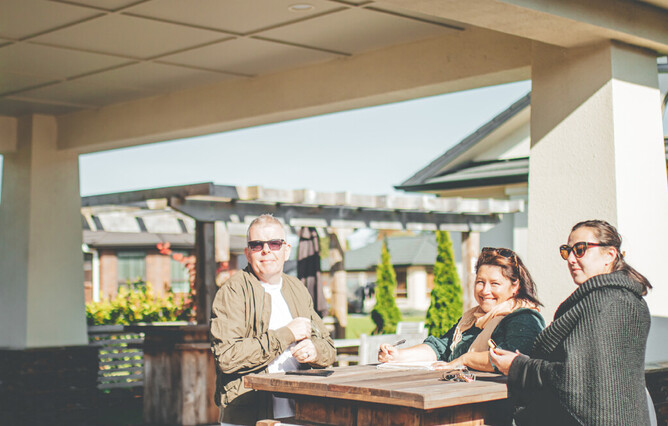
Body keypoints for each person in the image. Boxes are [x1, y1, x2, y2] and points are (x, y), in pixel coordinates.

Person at [490, 220, 652, 426]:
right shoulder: (628, 298)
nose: (572, 259)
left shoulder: (606, 302)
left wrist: (518, 366)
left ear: (609, 255)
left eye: (580, 249)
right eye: (567, 251)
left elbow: (576, 380)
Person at [210, 214, 336, 425]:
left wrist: (314, 350)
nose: (266, 250)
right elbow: (227, 356)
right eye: (257, 245)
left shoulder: (297, 288)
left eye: (274, 243)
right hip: (249, 415)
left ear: (286, 250)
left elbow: (329, 348)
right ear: (248, 253)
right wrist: (287, 334)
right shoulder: (233, 291)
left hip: (299, 411)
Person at [378, 247, 545, 374]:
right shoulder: (473, 318)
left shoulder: (524, 317)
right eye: (480, 282)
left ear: (515, 286)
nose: (485, 291)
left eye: (495, 284)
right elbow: (441, 347)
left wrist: (464, 359)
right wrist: (397, 356)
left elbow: (512, 359)